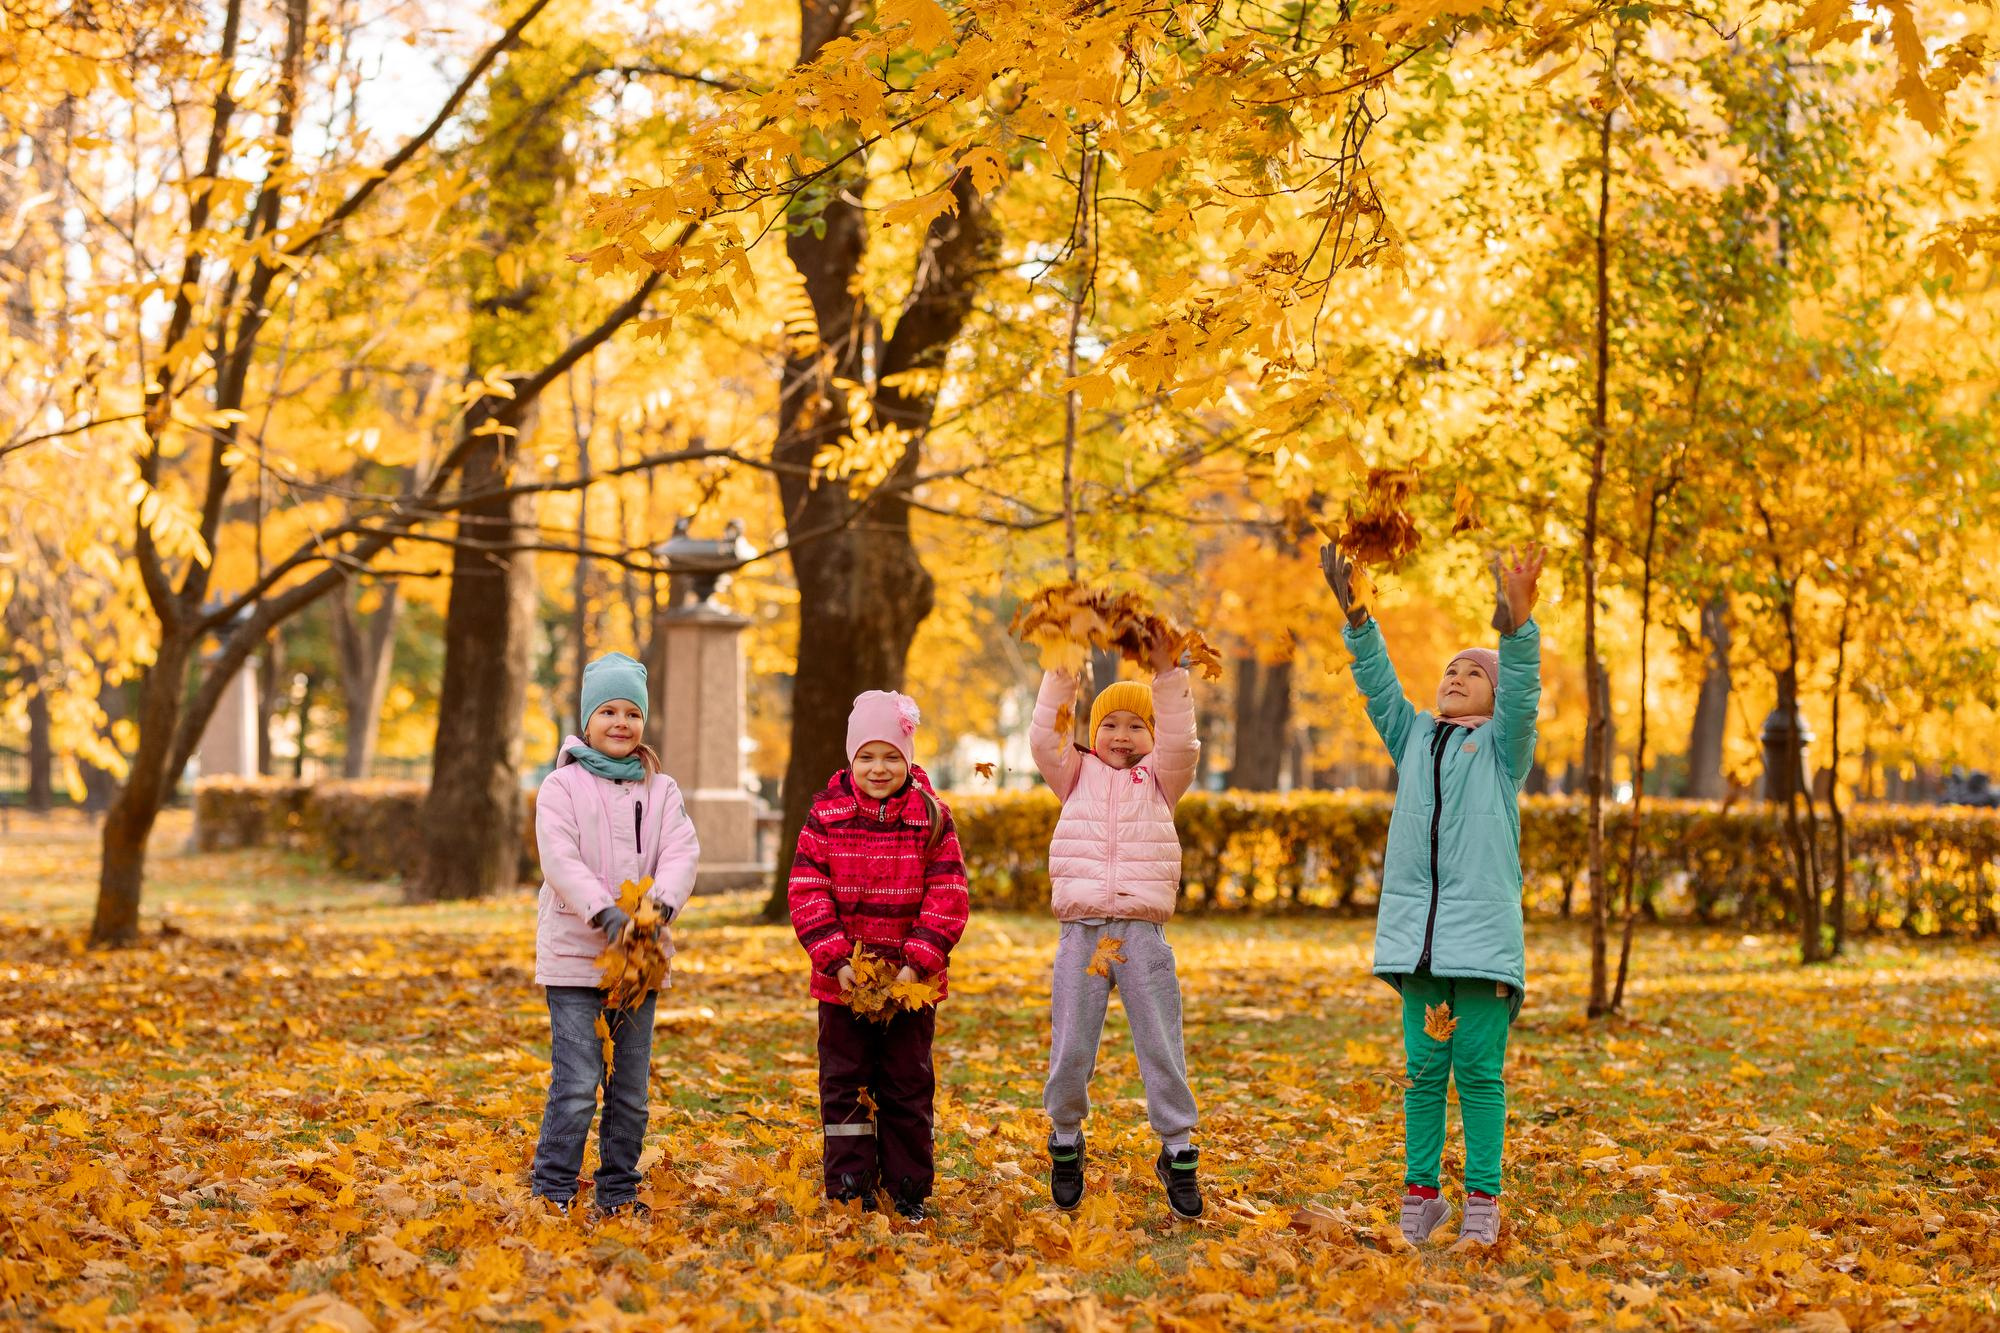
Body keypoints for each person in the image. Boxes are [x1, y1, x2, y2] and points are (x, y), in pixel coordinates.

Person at [1322, 543, 1544, 1250]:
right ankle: (1421, 1197)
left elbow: (1525, 689)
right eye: (1450, 669)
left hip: (1481, 949)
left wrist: (1516, 626)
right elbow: (1380, 686)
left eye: (1472, 672)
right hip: (1419, 944)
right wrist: (1357, 616)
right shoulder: (1415, 736)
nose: (1455, 677)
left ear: (1493, 691)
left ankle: (1483, 1199)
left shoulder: (1506, 749)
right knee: (1422, 1073)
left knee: (1477, 1071)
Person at [1030, 643, 1205, 1220]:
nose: (1122, 736)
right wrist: (1062, 670)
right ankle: (1065, 1137)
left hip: (1140, 937)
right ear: (1091, 731)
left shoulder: (1162, 781)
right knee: (1072, 1043)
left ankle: (1177, 1150)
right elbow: (1043, 737)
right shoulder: (1073, 773)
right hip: (1083, 935)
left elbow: (1182, 739)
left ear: (1153, 738)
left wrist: (1168, 676)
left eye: (1137, 726)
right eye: (1110, 725)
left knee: (1160, 1044)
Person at [530, 652, 701, 1216]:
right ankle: (553, 1188)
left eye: (632, 712)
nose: (621, 722)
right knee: (578, 1083)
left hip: (639, 962)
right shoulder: (561, 786)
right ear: (587, 721)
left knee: (629, 1089)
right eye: (608, 710)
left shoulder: (662, 790)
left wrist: (660, 907)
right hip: (576, 955)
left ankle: (618, 1189)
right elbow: (560, 857)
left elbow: (681, 850)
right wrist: (605, 913)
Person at [788, 691, 970, 1220]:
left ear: (909, 759)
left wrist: (919, 960)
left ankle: (907, 1187)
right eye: (867, 756)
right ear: (850, 759)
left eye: (892, 756)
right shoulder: (828, 814)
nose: (879, 768)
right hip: (842, 982)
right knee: (845, 1083)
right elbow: (807, 888)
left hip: (910, 983)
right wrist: (836, 959)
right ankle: (849, 1184)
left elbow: (949, 893)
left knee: (906, 1083)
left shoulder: (931, 817)